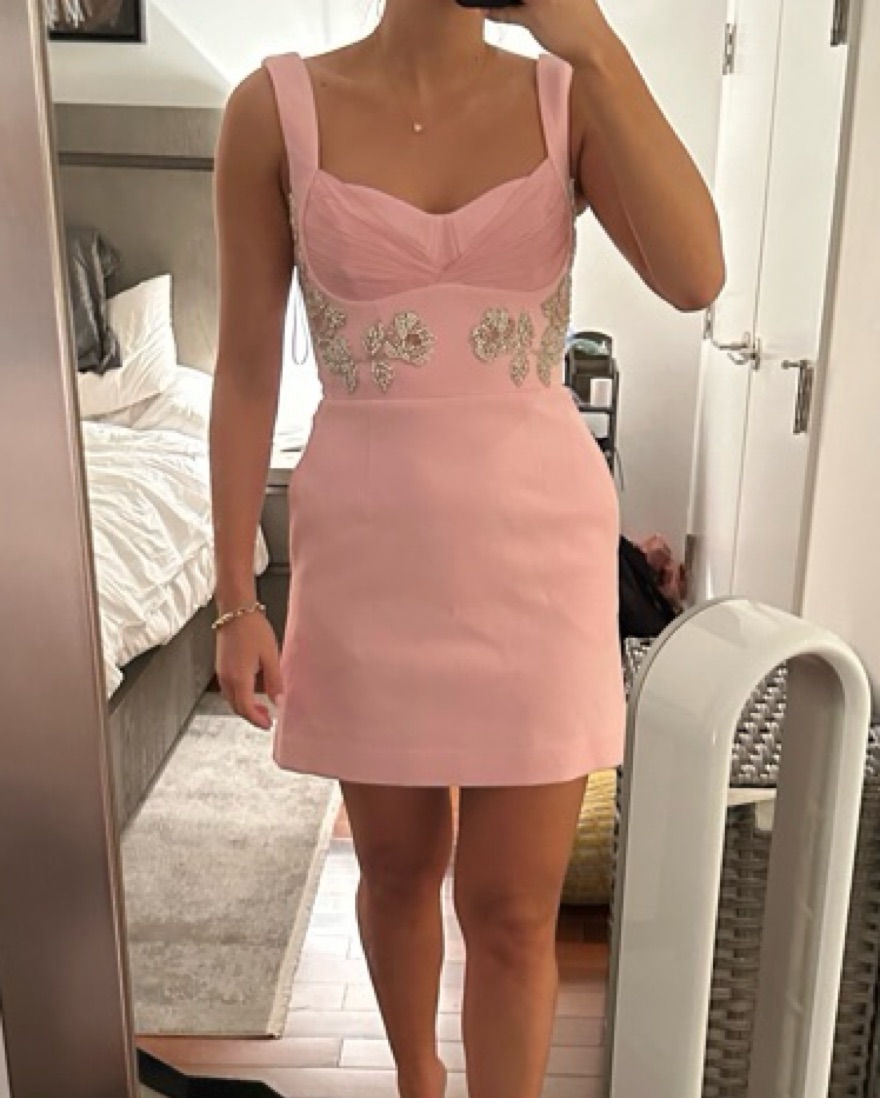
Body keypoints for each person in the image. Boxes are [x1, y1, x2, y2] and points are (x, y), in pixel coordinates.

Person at [209, 1, 724, 1095]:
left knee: (512, 910)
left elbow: (696, 277)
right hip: (365, 559)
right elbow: (245, 371)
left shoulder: (567, 92)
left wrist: (592, 39)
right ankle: (419, 1081)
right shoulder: (272, 108)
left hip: (537, 558)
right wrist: (234, 596)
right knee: (396, 874)